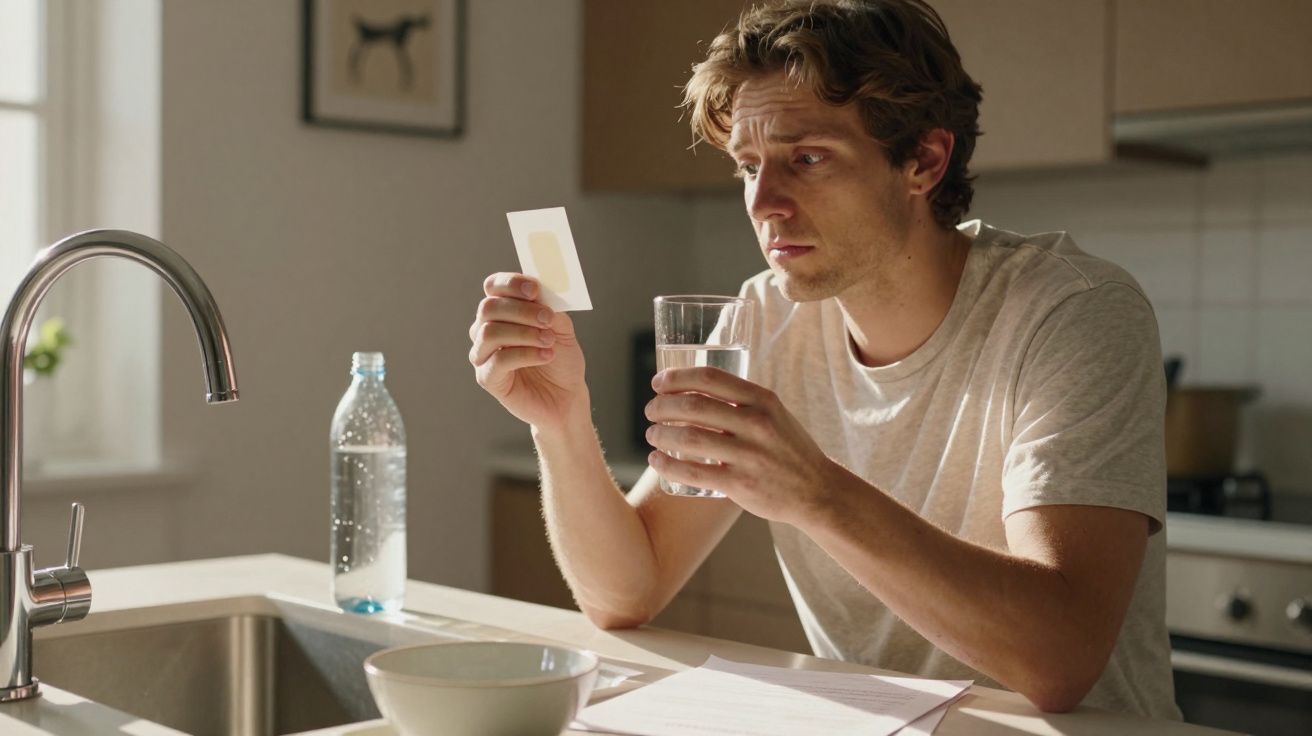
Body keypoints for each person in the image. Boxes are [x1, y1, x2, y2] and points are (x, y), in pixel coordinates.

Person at [469, 0, 1179, 719]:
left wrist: (815, 494)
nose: (764, 202)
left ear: (923, 162)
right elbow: (628, 592)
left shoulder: (1073, 311)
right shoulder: (767, 317)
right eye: (748, 167)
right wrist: (560, 420)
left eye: (806, 159)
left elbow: (1059, 661)